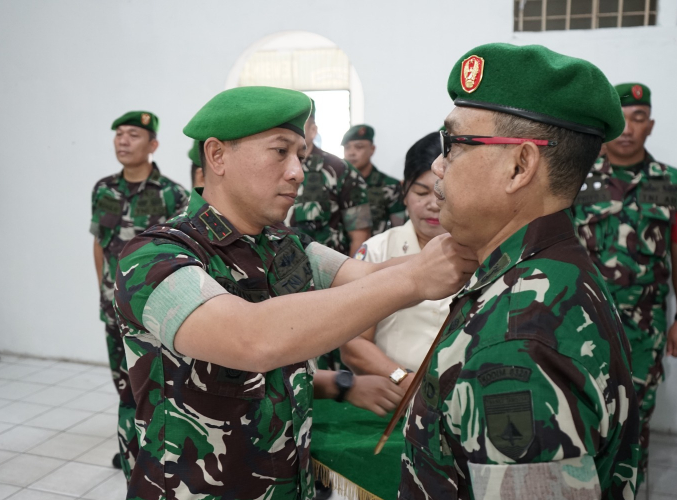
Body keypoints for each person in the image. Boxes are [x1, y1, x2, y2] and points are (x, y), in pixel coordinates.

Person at [113, 86, 477, 500]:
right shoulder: (154, 257)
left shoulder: (286, 246)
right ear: (216, 156)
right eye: (280, 152)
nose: (298, 172)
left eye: (301, 155)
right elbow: (252, 338)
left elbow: (366, 276)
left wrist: (462, 246)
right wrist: (415, 279)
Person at [399, 43, 639, 500]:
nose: (437, 164)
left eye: (454, 144)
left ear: (520, 165)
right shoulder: (548, 270)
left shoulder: (517, 342)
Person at [572, 82, 677, 490]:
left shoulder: (676, 183)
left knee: (634, 421)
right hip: (578, 320)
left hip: (644, 329)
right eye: (621, 119)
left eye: (638, 119)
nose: (628, 129)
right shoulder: (572, 177)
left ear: (651, 125)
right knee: (576, 416)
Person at [90, 110, 188, 477]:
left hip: (154, 307)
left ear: (153, 144)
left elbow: (180, 255)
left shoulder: (173, 194)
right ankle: (129, 449)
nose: (123, 141)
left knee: (154, 385)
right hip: (113, 304)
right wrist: (103, 291)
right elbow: (100, 245)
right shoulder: (103, 189)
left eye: (133, 135)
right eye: (119, 134)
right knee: (122, 380)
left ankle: (154, 455)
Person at [340, 132, 448, 388]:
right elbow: (353, 342)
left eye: (443, 193)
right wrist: (403, 380)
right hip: (395, 398)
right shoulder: (376, 251)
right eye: (421, 192)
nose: (432, 204)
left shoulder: (486, 251)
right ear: (403, 190)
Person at [290, 102, 371, 257]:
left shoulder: (341, 171)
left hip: (327, 275)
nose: (290, 131)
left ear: (313, 131)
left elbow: (360, 235)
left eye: (298, 125)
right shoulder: (271, 168)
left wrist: (353, 278)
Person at [342, 124, 407, 234]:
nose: (351, 153)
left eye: (359, 147)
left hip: (377, 249)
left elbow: (400, 230)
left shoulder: (390, 186)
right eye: (347, 147)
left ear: (372, 149)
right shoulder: (337, 184)